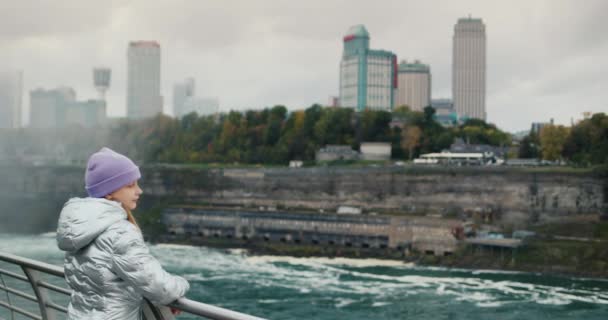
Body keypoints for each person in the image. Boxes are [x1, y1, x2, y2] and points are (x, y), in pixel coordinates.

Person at [56, 147, 189, 320]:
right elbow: (158, 285)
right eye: (130, 185)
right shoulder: (119, 232)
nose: (139, 191)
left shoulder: (79, 228)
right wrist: (182, 285)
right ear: (110, 191)